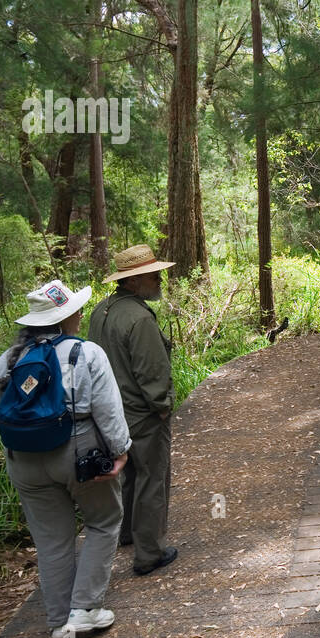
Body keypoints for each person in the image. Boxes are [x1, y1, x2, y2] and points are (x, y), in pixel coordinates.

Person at [0, 280, 131, 638]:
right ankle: (84, 610)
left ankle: (57, 619)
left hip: (24, 460)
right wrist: (120, 450)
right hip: (79, 452)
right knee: (103, 521)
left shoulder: (10, 358)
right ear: (66, 319)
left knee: (51, 540)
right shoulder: (88, 353)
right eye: (75, 312)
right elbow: (108, 411)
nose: (80, 315)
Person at [87, 244, 179, 576]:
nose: (159, 281)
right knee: (152, 478)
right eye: (154, 276)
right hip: (142, 415)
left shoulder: (102, 310)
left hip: (108, 415)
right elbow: (152, 373)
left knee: (128, 475)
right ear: (134, 281)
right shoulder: (139, 318)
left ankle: (127, 533)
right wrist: (163, 407)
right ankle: (149, 553)